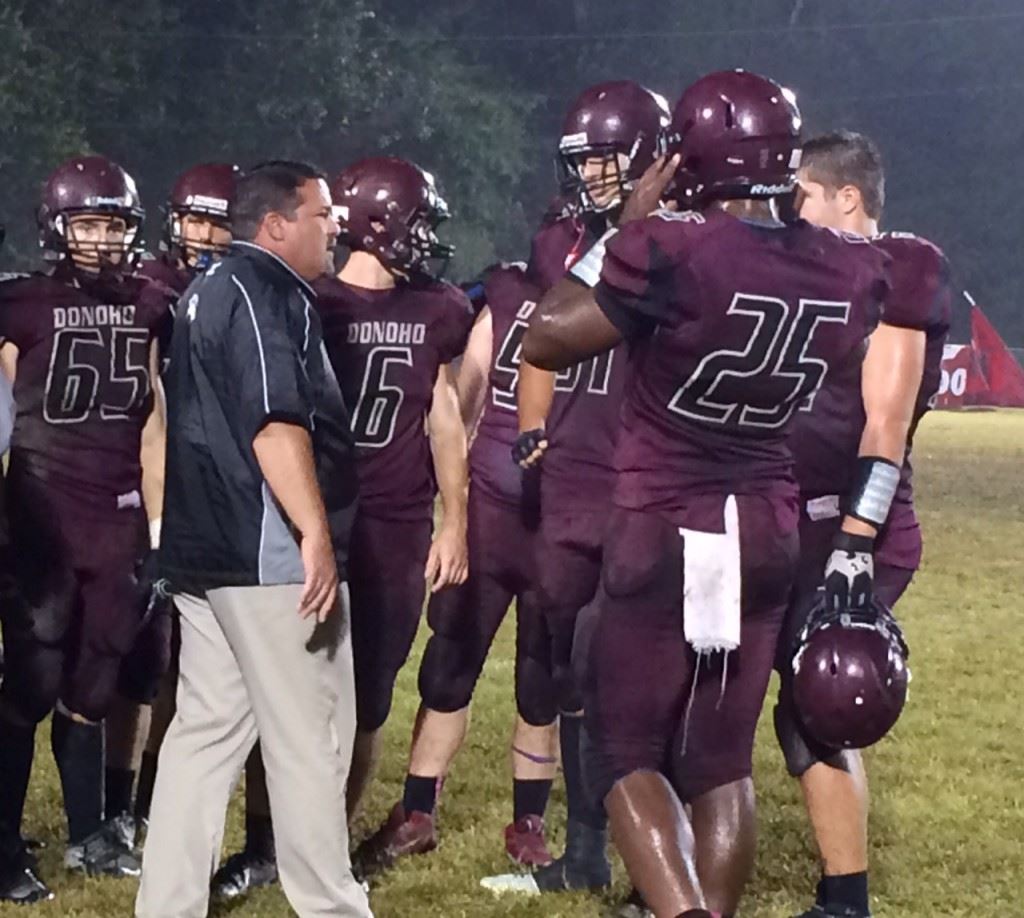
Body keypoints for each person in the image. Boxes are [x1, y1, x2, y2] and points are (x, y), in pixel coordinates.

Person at [519, 70, 895, 918]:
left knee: (623, 751)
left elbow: (545, 336)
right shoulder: (850, 267)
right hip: (766, 525)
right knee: (719, 762)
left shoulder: (673, 249)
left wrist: (623, 228)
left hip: (666, 520)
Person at [210, 156, 473, 900]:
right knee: (288, 689)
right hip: (314, 516)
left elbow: (443, 418)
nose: (428, 239)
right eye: (418, 221)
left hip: (394, 522)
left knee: (368, 694)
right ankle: (265, 844)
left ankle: (325, 843)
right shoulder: (306, 300)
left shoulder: (439, 307)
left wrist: (454, 521)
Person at [135, 160, 370, 918]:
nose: (335, 225)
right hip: (266, 555)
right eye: (322, 212)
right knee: (311, 741)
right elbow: (273, 422)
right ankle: (333, 905)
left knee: (203, 737)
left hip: (206, 553)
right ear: (276, 224)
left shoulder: (203, 290)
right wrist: (316, 536)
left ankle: (166, 905)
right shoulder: (264, 290)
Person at [482, 80, 671, 896]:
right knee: (570, 672)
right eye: (583, 162)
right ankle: (586, 853)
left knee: (644, 673)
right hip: (571, 476)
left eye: (605, 160)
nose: (590, 177)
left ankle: (657, 860)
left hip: (646, 475)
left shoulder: (687, 241)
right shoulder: (563, 239)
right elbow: (540, 340)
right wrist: (532, 429)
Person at [775, 130, 951, 918]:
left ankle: (846, 901)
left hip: (852, 527)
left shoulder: (899, 269)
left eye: (805, 195)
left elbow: (884, 421)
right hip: (781, 516)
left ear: (849, 198)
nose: (793, 212)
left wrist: (854, 541)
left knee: (821, 696)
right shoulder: (800, 269)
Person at [0, 155, 173, 903]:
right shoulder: (20, 305)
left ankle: (90, 834)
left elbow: (154, 424)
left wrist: (160, 527)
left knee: (97, 676)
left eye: (115, 225)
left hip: (118, 520)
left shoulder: (148, 303)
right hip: (40, 519)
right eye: (90, 224)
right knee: (30, 679)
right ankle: (3, 846)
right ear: (58, 228)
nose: (104, 240)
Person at [129, 161, 238, 833]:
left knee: (199, 663)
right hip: (150, 485)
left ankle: (159, 798)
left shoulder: (242, 289)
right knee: (145, 655)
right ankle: (130, 798)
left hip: (219, 487)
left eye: (215, 220)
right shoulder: (150, 289)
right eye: (192, 217)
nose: (200, 231)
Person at [138, 162, 238, 295]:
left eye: (219, 225)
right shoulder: (149, 279)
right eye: (196, 222)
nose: (205, 235)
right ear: (176, 222)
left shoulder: (252, 285)